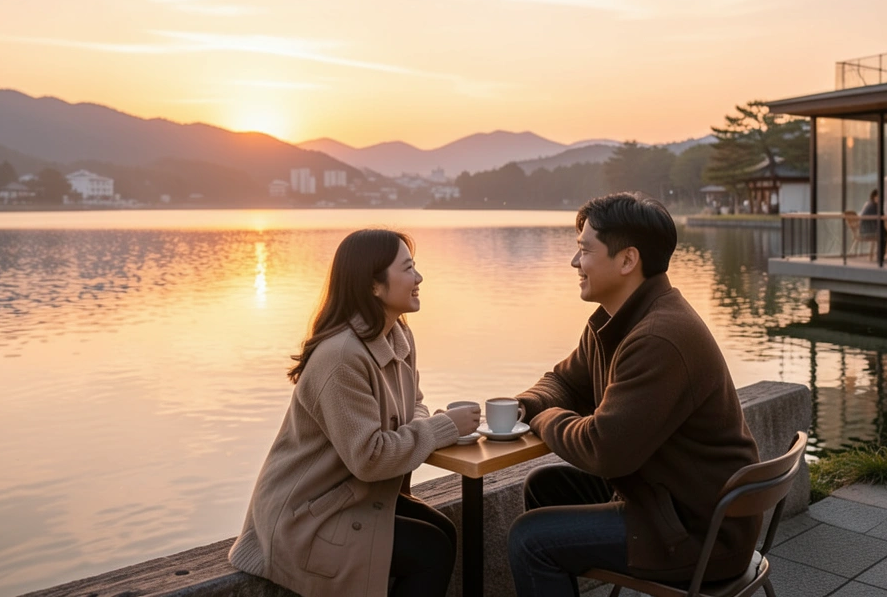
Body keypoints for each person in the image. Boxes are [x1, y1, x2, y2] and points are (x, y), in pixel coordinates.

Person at [506, 193, 759, 597]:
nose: (574, 262)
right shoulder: (616, 320)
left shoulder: (660, 337)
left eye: (584, 251)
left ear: (627, 260)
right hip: (664, 500)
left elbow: (604, 449)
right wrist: (526, 404)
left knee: (529, 539)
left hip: (699, 532)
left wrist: (542, 419)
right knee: (545, 485)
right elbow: (565, 382)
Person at [227, 229, 481, 597]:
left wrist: (431, 424)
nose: (419, 277)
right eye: (408, 269)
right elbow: (369, 458)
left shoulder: (399, 337)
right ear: (374, 285)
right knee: (431, 550)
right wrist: (442, 428)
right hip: (305, 517)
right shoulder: (341, 357)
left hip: (353, 497)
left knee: (443, 531)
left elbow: (414, 404)